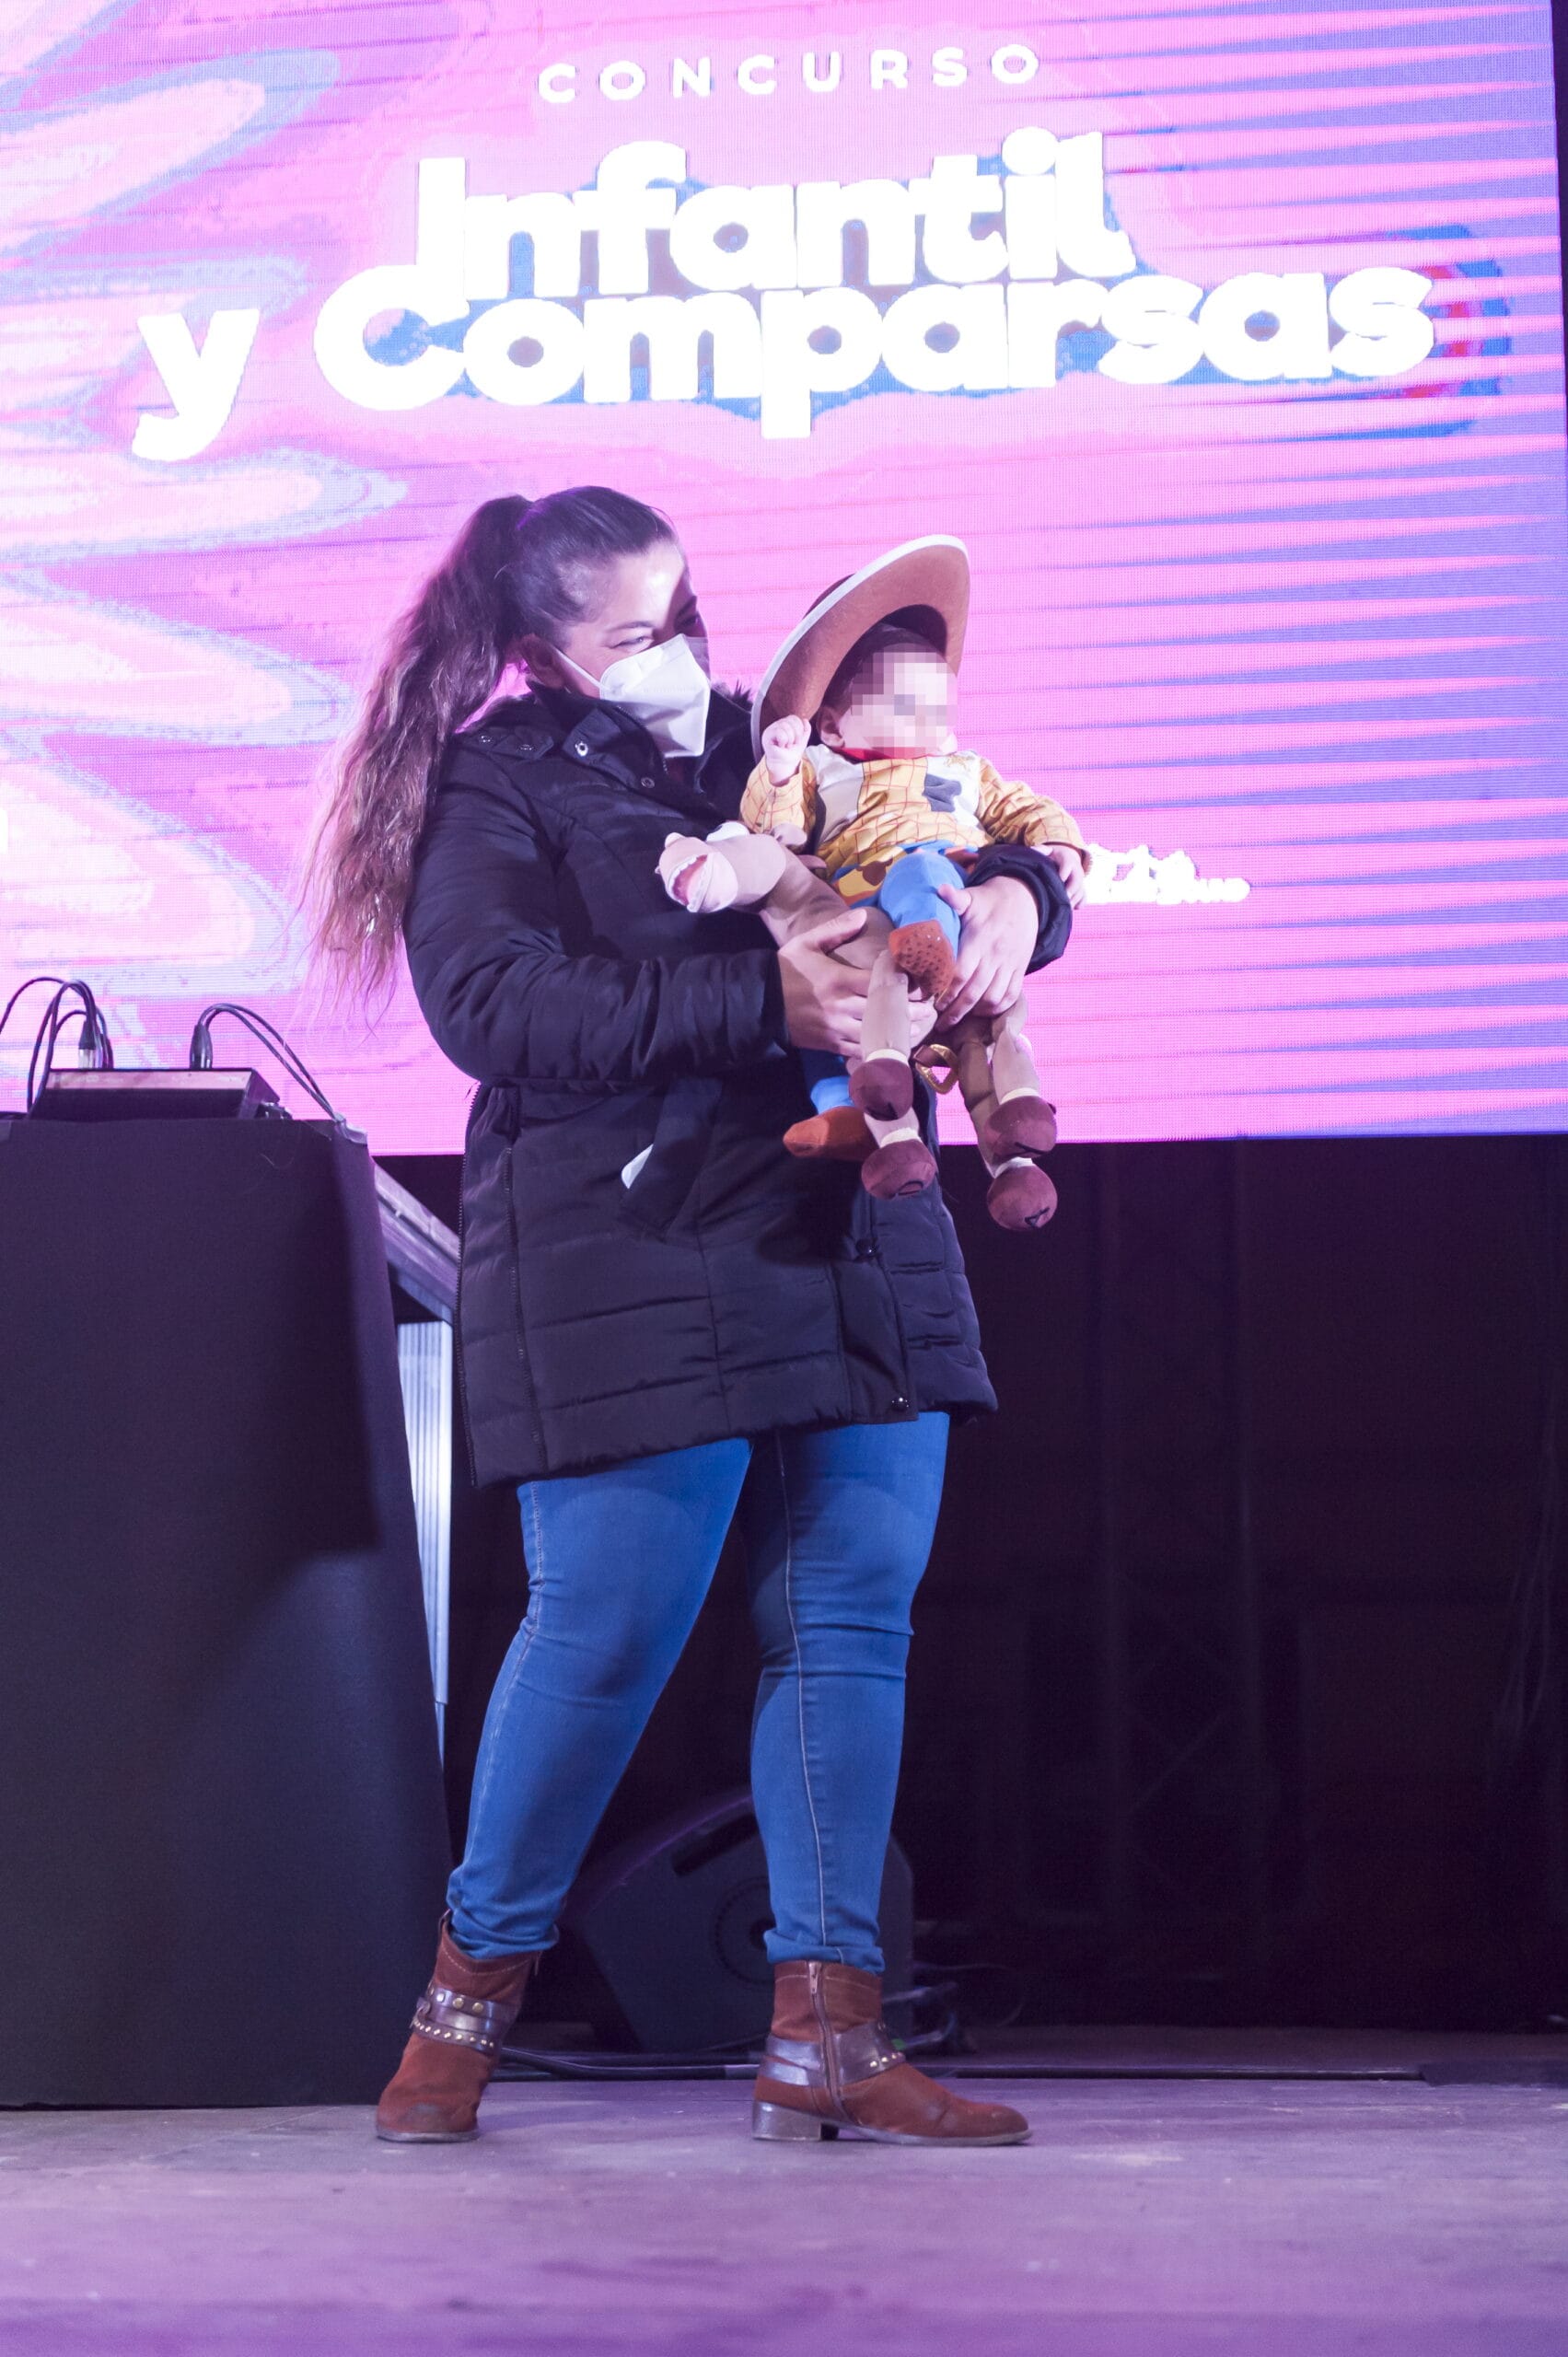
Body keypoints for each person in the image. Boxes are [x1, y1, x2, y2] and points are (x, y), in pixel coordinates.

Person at [308, 486, 1075, 2150]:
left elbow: (947, 817)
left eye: (686, 613)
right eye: (636, 633)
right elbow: (495, 1009)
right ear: (541, 652)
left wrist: (1027, 899)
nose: (681, 652)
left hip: (847, 1235)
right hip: (630, 1249)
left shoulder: (771, 742)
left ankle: (830, 2030)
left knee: (851, 1621)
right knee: (605, 1632)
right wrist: (761, 994)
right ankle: (463, 2008)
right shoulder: (498, 781)